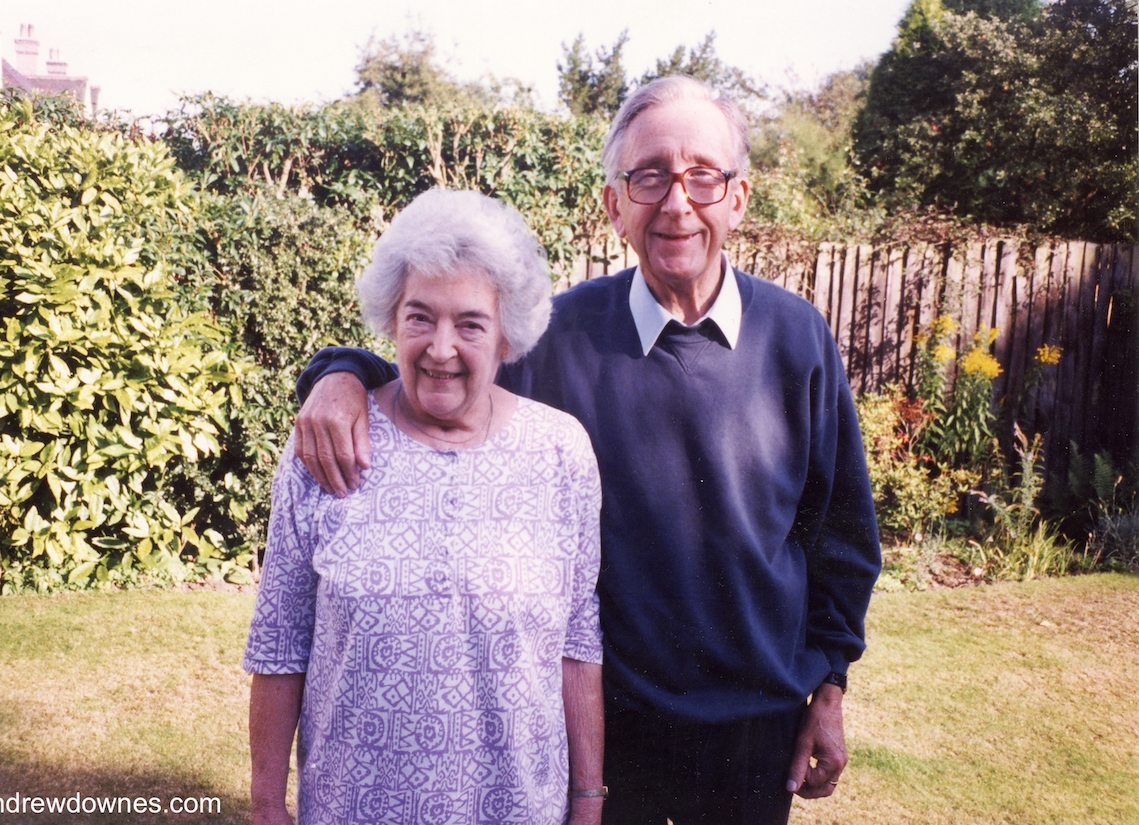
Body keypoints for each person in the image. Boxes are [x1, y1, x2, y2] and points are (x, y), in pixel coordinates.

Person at [292, 76, 882, 825]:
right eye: (649, 176)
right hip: (607, 733)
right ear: (614, 205)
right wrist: (339, 373)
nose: (677, 202)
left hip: (753, 736)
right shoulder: (558, 339)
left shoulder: (796, 338)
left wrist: (829, 687)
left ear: (738, 198)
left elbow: (839, 538)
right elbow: (438, 375)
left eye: (703, 175)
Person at [244, 188, 606, 825]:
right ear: (391, 319)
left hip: (518, 810)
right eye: (420, 317)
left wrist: (587, 800)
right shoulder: (329, 445)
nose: (441, 348)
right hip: (353, 808)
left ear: (506, 336)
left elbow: (577, 641)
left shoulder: (560, 452)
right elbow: (279, 646)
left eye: (470, 324)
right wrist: (268, 804)